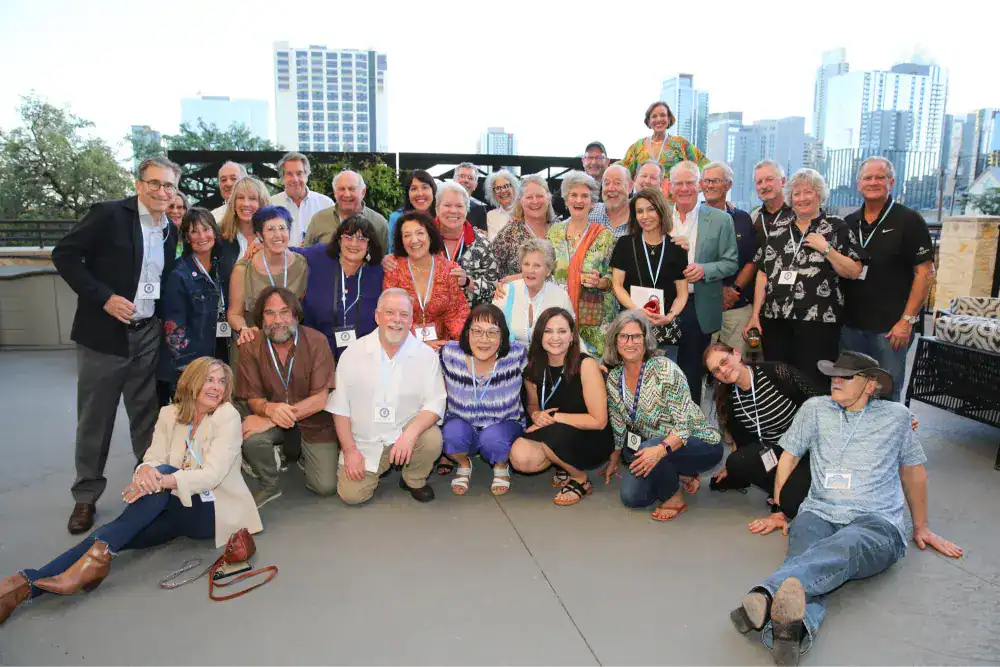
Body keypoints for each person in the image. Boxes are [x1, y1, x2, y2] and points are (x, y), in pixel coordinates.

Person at [729, 351, 962, 667]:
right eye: (833, 375)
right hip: (818, 513)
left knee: (840, 548)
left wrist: (921, 526)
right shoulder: (815, 409)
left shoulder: (896, 417)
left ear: (870, 384)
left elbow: (913, 471)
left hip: (875, 522)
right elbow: (789, 456)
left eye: (846, 376)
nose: (835, 381)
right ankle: (791, 633)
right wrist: (781, 509)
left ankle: (766, 594)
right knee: (808, 564)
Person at [0, 358, 262, 625]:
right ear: (192, 381)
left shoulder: (227, 416)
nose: (216, 387)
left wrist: (159, 478)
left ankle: (87, 564)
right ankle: (21, 587)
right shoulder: (169, 414)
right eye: (209, 379)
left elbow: (211, 476)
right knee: (114, 534)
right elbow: (152, 458)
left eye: (222, 382)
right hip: (173, 507)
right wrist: (145, 472)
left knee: (148, 492)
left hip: (212, 511)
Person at [51, 157, 182, 534]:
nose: (161, 191)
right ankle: (85, 496)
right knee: (96, 418)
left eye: (168, 186)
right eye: (154, 183)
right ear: (139, 185)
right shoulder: (108, 215)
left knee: (146, 417)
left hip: (147, 333)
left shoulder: (169, 230)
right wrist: (103, 297)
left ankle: (149, 488)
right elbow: (64, 255)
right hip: (104, 335)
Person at [744, 169, 864, 388]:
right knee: (779, 381)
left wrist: (826, 249)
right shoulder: (777, 228)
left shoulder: (836, 227)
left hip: (818, 321)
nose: (802, 198)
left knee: (813, 382)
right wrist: (754, 316)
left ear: (819, 195)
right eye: (796, 194)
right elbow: (762, 273)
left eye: (808, 192)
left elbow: (854, 271)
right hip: (776, 319)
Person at [330, 288, 447, 504]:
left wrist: (410, 435)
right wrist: (350, 451)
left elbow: (435, 403)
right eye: (390, 313)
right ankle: (372, 466)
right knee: (352, 496)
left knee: (431, 438)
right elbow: (340, 407)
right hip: (365, 441)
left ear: (411, 320)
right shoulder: (353, 353)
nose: (397, 320)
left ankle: (413, 479)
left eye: (404, 314)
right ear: (377, 316)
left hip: (404, 435)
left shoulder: (426, 356)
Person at [603, 310, 723, 520]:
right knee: (632, 497)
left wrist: (659, 450)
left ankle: (674, 497)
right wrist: (614, 457)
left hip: (697, 441)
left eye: (636, 336)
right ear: (615, 341)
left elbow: (685, 425)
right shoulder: (614, 378)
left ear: (646, 340)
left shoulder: (664, 369)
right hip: (655, 445)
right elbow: (618, 420)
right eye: (624, 336)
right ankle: (682, 474)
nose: (630, 342)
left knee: (647, 449)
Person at [841, 157, 935, 401]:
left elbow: (925, 273)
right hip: (851, 327)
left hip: (890, 329)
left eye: (880, 177)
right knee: (852, 392)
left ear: (891, 182)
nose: (873, 182)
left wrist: (906, 321)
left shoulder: (909, 220)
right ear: (858, 184)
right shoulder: (849, 222)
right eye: (867, 178)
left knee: (886, 394)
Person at [237, 287, 338, 507]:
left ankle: (301, 455)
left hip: (314, 421)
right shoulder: (250, 346)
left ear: (295, 315)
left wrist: (272, 418)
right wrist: (268, 410)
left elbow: (320, 400)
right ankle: (269, 484)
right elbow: (253, 397)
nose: (278, 320)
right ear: (260, 318)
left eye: (284, 312)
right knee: (251, 436)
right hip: (271, 416)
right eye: (270, 313)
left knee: (326, 487)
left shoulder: (317, 341)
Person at [704, 342, 822, 527]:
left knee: (791, 505)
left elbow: (819, 401)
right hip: (775, 450)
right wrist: (732, 469)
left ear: (736, 354)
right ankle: (784, 488)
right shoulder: (729, 398)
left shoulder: (777, 373)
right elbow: (741, 439)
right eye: (716, 371)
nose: (723, 371)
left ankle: (792, 489)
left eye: (724, 362)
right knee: (737, 462)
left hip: (806, 450)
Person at [508, 308, 613, 505]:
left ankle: (580, 479)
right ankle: (562, 463)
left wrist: (553, 418)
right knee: (520, 457)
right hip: (552, 431)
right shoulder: (533, 367)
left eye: (562, 331)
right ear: (539, 335)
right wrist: (536, 414)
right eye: (548, 331)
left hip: (590, 436)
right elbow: (532, 404)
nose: (555, 337)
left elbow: (599, 422)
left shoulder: (586, 365)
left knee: (552, 435)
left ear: (572, 336)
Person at [668, 161, 739, 404]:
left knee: (692, 371)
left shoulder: (721, 219)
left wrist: (704, 269)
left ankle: (691, 421)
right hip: (663, 303)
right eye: (679, 183)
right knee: (662, 366)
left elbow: (731, 262)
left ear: (699, 185)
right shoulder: (660, 217)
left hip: (698, 305)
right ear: (670, 187)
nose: (684, 188)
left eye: (689, 182)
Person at [440, 305, 527, 495]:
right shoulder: (449, 354)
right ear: (467, 332)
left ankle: (501, 465)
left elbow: (542, 374)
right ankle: (464, 464)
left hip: (504, 424)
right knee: (451, 435)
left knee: (494, 439)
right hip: (461, 421)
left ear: (503, 336)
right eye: (477, 331)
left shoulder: (517, 355)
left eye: (492, 332)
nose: (484, 339)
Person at [159, 208, 237, 400]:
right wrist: (194, 371)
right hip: (193, 365)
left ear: (214, 232)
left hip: (222, 353)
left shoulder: (223, 267)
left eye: (206, 229)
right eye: (194, 231)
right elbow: (174, 330)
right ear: (186, 237)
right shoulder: (179, 274)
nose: (202, 236)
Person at [610, 187, 688, 353]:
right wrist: (636, 310)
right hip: (631, 327)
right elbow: (617, 285)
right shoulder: (625, 244)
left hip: (665, 329)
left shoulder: (677, 248)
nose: (645, 216)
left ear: (661, 210)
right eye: (639, 211)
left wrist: (670, 316)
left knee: (664, 369)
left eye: (651, 209)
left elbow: (682, 294)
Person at [547, 170, 616, 356]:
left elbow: (614, 278)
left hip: (593, 321)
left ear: (592, 202)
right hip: (558, 315)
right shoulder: (554, 232)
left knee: (591, 369)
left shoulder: (604, 236)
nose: (579, 200)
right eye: (574, 195)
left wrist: (600, 282)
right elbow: (545, 270)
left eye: (585, 196)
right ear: (566, 200)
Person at [296, 214, 384, 360]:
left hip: (364, 357)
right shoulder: (319, 257)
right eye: (348, 237)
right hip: (316, 353)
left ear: (369, 245)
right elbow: (285, 253)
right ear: (339, 240)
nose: (354, 244)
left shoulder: (378, 273)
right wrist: (260, 247)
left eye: (361, 239)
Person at [382, 211, 470, 349]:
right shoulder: (394, 269)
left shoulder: (448, 269)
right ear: (401, 241)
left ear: (430, 235)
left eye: (420, 233)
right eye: (407, 235)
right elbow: (390, 315)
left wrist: (454, 346)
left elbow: (457, 314)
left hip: (442, 347)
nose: (414, 240)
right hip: (404, 347)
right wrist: (418, 344)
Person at [227, 206, 309, 355]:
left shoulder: (302, 265)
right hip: (254, 345)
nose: (278, 235)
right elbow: (234, 314)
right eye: (270, 229)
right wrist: (244, 329)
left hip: (291, 345)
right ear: (259, 235)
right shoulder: (243, 269)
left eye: (282, 228)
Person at [701, 161, 757, 356]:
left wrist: (734, 289)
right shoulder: (692, 218)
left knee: (735, 362)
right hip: (703, 306)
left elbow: (752, 260)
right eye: (706, 181)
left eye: (715, 181)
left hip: (736, 306)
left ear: (728, 184)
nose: (709, 185)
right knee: (700, 363)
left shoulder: (742, 219)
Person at [494, 238, 575, 346]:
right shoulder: (505, 291)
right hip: (510, 355)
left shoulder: (560, 297)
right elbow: (492, 331)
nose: (530, 270)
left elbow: (572, 336)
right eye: (526, 264)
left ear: (548, 271)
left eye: (537, 265)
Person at [432, 181, 500, 306]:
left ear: (467, 210)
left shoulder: (482, 243)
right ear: (437, 208)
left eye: (459, 206)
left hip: (470, 315)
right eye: (447, 205)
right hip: (429, 315)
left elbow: (493, 287)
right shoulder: (423, 239)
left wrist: (468, 282)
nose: (453, 211)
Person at [302, 169, 390, 254]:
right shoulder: (319, 219)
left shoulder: (379, 224)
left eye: (352, 189)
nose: (347, 194)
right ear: (335, 193)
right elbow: (306, 256)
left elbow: (383, 259)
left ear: (363, 192)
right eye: (341, 189)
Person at [492, 174, 558, 282]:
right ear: (520, 200)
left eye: (540, 196)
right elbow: (491, 272)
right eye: (529, 197)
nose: (535, 201)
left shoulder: (560, 229)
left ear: (549, 198)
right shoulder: (508, 234)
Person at [622, 101, 709, 179]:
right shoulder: (637, 147)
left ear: (669, 119)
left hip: (673, 192)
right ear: (649, 121)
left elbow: (705, 165)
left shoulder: (681, 143)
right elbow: (623, 171)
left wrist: (695, 184)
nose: (659, 119)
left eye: (663, 115)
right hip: (645, 191)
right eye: (654, 116)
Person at [270, 152, 333, 247]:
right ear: (282, 178)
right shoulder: (271, 204)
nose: (295, 179)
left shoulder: (325, 204)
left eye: (299, 173)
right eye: (289, 174)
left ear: (307, 176)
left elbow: (335, 238)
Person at [219, 175, 271, 260]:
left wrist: (269, 253)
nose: (246, 204)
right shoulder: (218, 234)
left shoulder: (273, 234)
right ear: (234, 203)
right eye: (241, 197)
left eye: (252, 198)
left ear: (262, 203)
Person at [388, 169, 437, 251]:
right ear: (408, 193)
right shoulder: (396, 218)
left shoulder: (442, 215)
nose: (420, 193)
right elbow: (393, 251)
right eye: (414, 189)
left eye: (424, 187)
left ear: (433, 190)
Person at [589, 164, 633, 241]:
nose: (611, 188)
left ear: (630, 186)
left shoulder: (639, 218)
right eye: (606, 183)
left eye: (617, 183)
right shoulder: (590, 212)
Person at [750, 160, 795, 233]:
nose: (764, 186)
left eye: (769, 179)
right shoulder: (753, 217)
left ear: (783, 181)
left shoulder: (797, 213)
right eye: (759, 182)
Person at [484, 169, 520, 240]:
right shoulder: (491, 215)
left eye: (506, 186)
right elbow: (492, 241)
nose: (503, 191)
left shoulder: (524, 210)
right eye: (498, 188)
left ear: (513, 188)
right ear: (493, 193)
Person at [453, 161, 489, 232]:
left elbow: (483, 235)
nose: (466, 180)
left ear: (475, 185)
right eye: (462, 176)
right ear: (454, 180)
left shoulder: (480, 210)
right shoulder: (440, 203)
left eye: (470, 178)